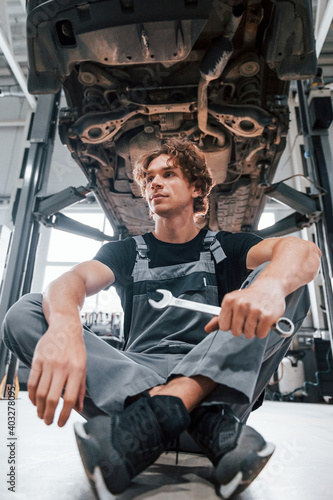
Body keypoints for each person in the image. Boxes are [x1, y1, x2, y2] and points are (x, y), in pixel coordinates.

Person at [2, 138, 321, 499]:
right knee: (26, 312)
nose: (154, 183)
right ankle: (187, 413)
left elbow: (302, 252)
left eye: (169, 174)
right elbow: (69, 282)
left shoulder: (225, 248)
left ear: (197, 187)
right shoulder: (126, 252)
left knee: (292, 284)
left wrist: (268, 288)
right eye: (149, 177)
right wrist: (64, 327)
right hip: (152, 403)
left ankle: (167, 408)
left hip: (205, 394)